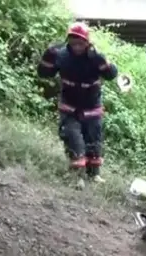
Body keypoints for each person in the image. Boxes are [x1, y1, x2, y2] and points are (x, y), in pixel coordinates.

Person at [37, 22, 118, 187]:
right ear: (68, 41)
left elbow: (111, 75)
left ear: (87, 42)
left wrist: (101, 60)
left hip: (92, 104)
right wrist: (47, 58)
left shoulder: (95, 57)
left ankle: (94, 174)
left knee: (94, 140)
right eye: (73, 42)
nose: (77, 46)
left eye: (80, 43)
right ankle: (77, 177)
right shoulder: (60, 55)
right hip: (69, 105)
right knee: (73, 138)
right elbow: (44, 73)